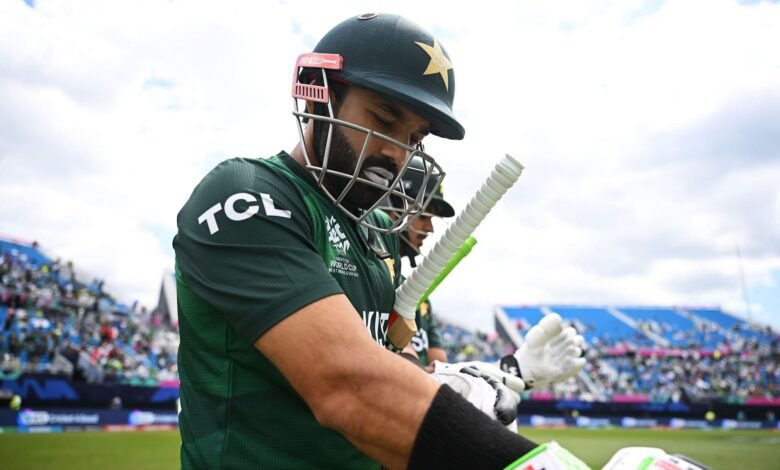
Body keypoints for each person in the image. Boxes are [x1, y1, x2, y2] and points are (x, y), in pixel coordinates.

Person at [174, 12, 586, 470]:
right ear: (320, 98)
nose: (397, 152)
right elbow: (349, 386)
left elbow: (394, 365)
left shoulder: (379, 234)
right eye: (385, 119)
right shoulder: (247, 195)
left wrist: (492, 377)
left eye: (414, 137)